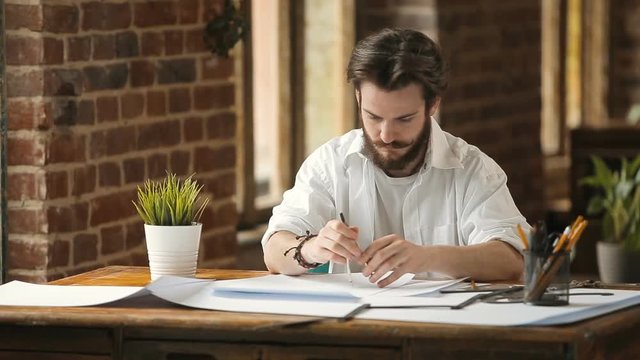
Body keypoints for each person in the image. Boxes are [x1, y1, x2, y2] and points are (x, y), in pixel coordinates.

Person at [261, 28, 530, 287]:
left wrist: (428, 257)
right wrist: (311, 249)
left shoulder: (472, 168)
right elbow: (274, 250)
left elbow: (512, 258)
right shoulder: (330, 164)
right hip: (355, 328)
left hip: (449, 327)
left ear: (433, 103)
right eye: (373, 117)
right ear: (358, 98)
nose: (386, 135)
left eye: (404, 119)